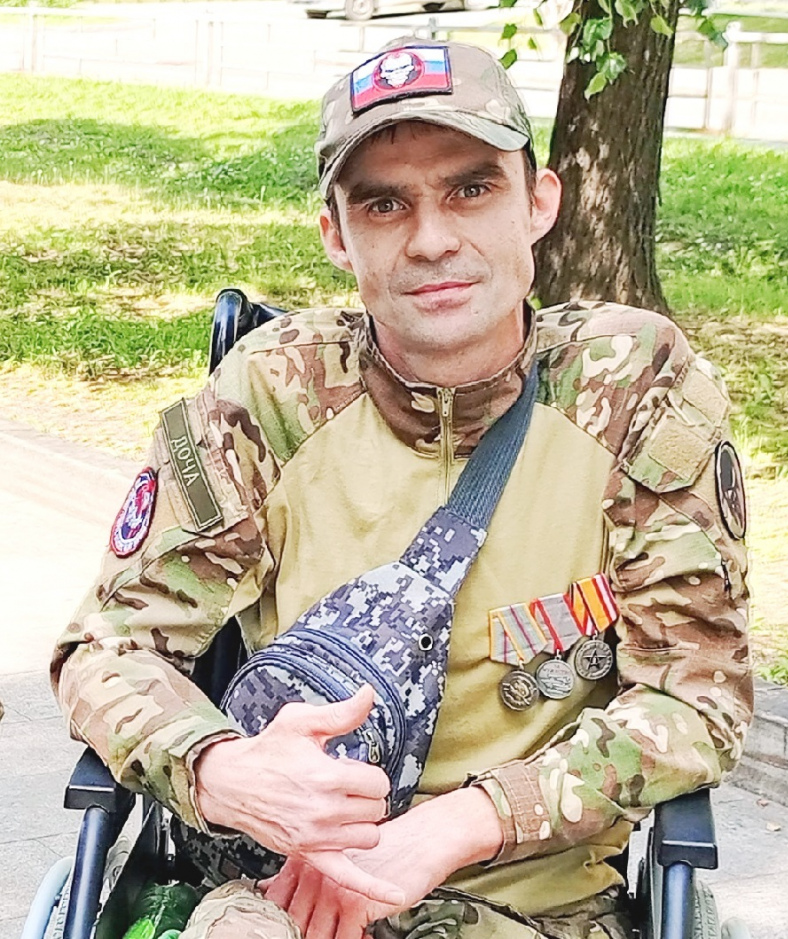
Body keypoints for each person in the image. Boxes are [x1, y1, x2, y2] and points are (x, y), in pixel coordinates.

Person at [51, 39, 752, 939]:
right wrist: (221, 770)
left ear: (539, 202)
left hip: (534, 906)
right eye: (385, 203)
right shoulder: (273, 395)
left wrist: (464, 824)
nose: (432, 239)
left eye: (472, 188)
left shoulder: (631, 390)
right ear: (336, 236)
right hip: (287, 892)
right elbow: (107, 646)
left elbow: (695, 696)